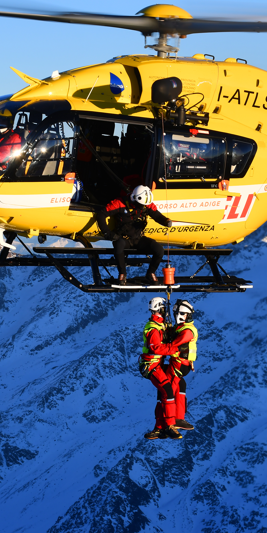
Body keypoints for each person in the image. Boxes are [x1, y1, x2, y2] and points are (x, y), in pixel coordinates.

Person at [102, 185, 173, 284]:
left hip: (138, 239)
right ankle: (122, 274)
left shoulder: (145, 204)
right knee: (118, 245)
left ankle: (150, 273)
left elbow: (156, 215)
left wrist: (165, 221)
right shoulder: (119, 203)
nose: (143, 207)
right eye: (141, 205)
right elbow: (102, 214)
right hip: (124, 239)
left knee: (159, 250)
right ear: (134, 198)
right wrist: (107, 233)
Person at [141, 296, 182, 440]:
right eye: (164, 308)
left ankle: (159, 427)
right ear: (161, 309)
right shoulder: (153, 328)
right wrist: (173, 349)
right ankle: (169, 425)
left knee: (163, 396)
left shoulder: (159, 325)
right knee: (168, 391)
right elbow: (156, 348)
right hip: (152, 365)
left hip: (156, 364)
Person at [166, 299, 198, 431]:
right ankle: (179, 417)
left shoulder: (186, 331)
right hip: (183, 365)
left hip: (178, 364)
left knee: (169, 390)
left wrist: (157, 348)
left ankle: (169, 419)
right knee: (180, 387)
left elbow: (173, 345)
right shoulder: (182, 328)